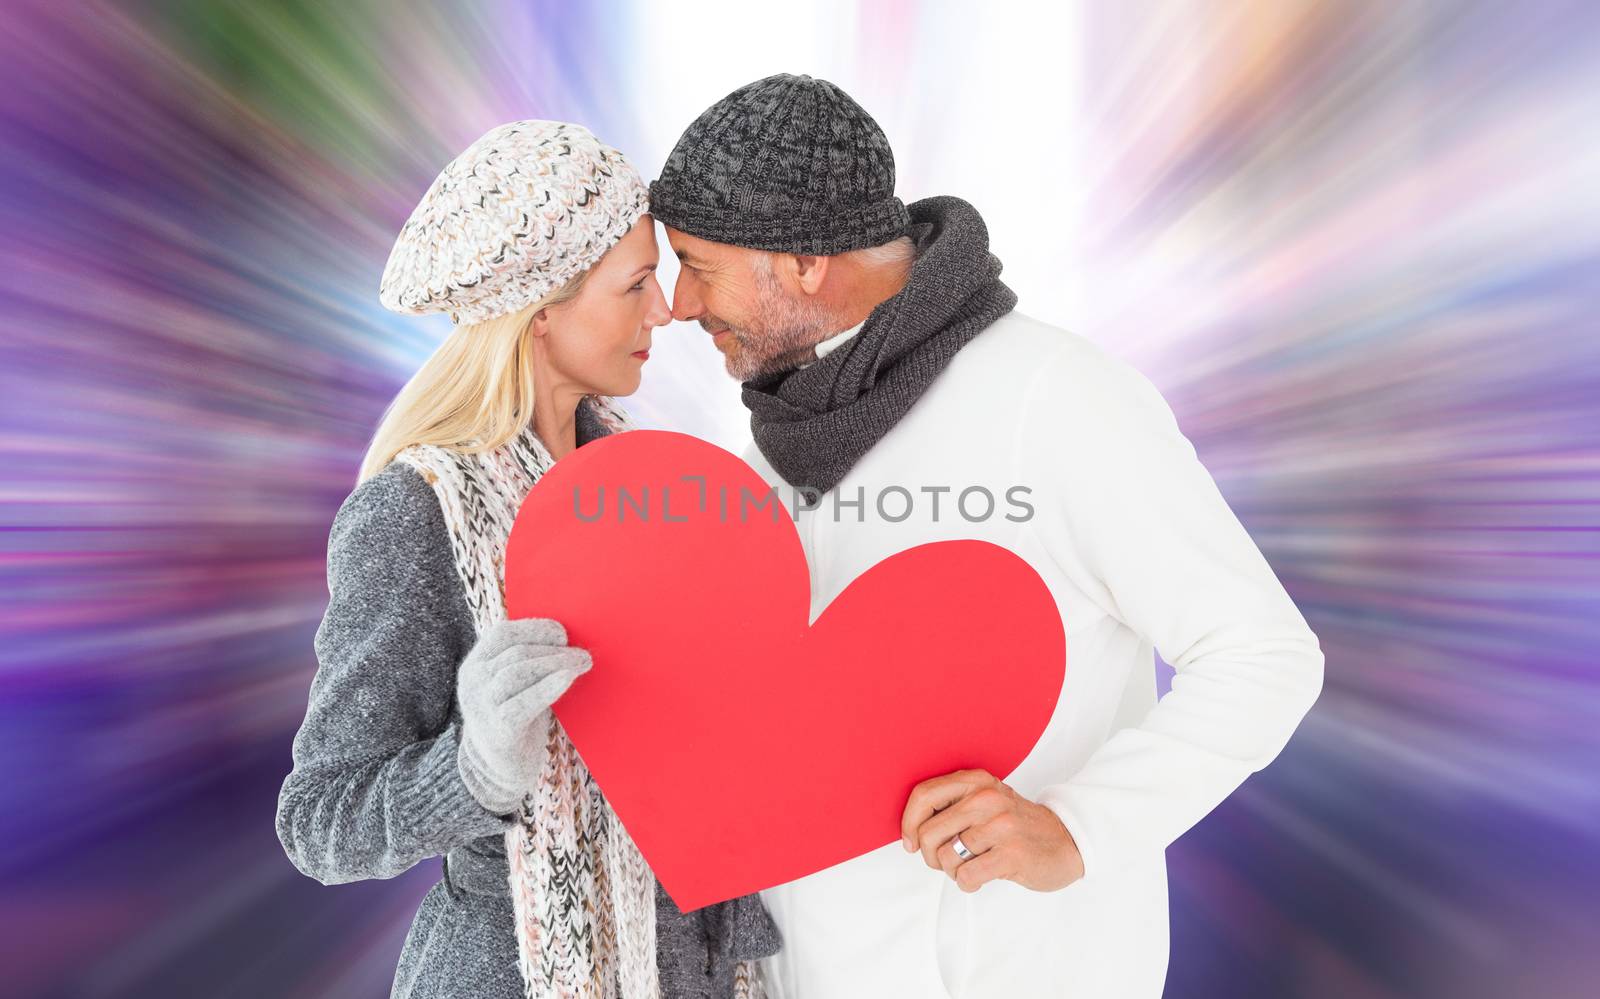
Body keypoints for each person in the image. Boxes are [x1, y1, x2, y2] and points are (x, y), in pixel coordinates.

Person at [649, 73, 1326, 998]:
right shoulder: (781, 434)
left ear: (804, 261)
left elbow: (1263, 654)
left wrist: (1077, 827)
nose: (681, 304)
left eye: (699, 263)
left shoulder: (1058, 399)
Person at [274, 120, 781, 999]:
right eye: (634, 285)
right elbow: (321, 822)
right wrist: (477, 767)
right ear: (541, 311)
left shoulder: (648, 485)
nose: (663, 309)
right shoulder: (413, 513)